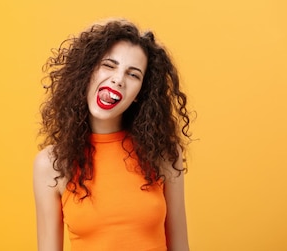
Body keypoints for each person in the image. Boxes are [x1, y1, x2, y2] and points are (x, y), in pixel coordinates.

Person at [33, 19, 192, 251]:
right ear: (87, 73)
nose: (118, 79)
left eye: (133, 74)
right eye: (109, 65)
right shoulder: (52, 164)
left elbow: (180, 247)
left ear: (140, 93)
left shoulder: (163, 153)